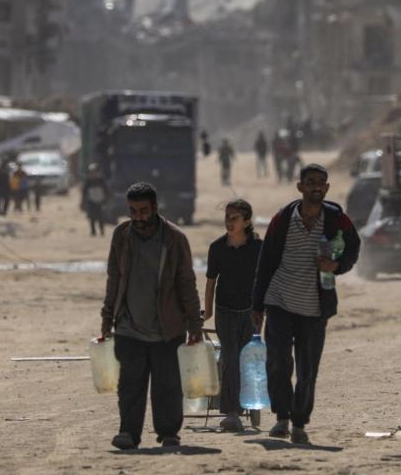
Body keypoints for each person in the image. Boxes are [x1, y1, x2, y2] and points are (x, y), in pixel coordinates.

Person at [252, 164, 361, 445]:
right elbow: (265, 261)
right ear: (299, 186)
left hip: (315, 308)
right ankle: (281, 419)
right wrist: (258, 304)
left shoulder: (336, 218)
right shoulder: (284, 218)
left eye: (321, 183)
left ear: (326, 188)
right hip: (279, 301)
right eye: (310, 182)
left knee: (307, 369)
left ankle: (299, 423)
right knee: (277, 364)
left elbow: (354, 246)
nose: (315, 187)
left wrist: (337, 265)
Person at [100, 182, 204, 451]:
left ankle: (169, 432)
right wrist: (107, 318)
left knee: (167, 384)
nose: (138, 217)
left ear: (155, 208)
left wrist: (194, 323)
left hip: (167, 328)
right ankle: (128, 432)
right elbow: (114, 279)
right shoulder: (121, 236)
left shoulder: (175, 239)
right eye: (133, 211)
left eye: (144, 211)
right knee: (130, 385)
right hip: (128, 327)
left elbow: (186, 282)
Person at [204, 199, 263, 432]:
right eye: (227, 217)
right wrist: (207, 311)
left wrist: (261, 311)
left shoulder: (258, 248)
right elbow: (210, 283)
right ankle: (231, 413)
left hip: (250, 311)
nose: (229, 222)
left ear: (246, 221)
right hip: (225, 310)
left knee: (246, 358)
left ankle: (248, 404)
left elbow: (263, 282)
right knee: (229, 356)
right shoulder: (217, 248)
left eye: (234, 218)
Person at [82, 164, 109, 236]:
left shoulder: (101, 180)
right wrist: (83, 202)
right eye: (91, 172)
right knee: (92, 217)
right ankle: (93, 231)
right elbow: (84, 192)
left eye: (94, 172)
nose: (92, 174)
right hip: (91, 201)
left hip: (100, 201)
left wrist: (106, 200)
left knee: (101, 217)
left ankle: (102, 231)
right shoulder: (88, 181)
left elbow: (106, 190)